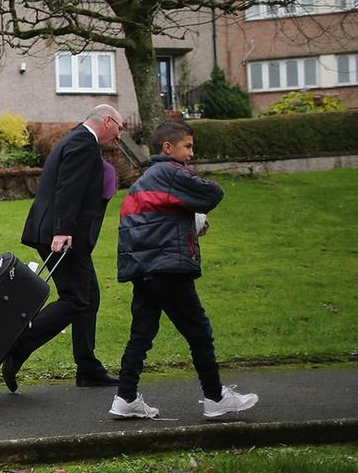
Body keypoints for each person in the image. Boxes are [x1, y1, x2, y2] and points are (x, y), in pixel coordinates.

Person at [108, 121, 258, 419]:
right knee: (199, 332)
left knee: (141, 334)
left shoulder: (143, 181)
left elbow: (150, 222)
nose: (191, 153)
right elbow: (213, 193)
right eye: (187, 146)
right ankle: (215, 397)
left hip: (145, 270)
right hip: (168, 269)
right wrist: (194, 214)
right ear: (168, 148)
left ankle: (125, 397)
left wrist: (189, 221)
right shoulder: (170, 171)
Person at [2, 104, 123, 392]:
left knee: (89, 297)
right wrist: (63, 230)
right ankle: (18, 345)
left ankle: (88, 368)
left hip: (60, 235)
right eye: (118, 127)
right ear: (107, 120)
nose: (118, 135)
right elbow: (69, 189)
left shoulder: (75, 139)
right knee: (77, 299)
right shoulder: (83, 143)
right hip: (62, 237)